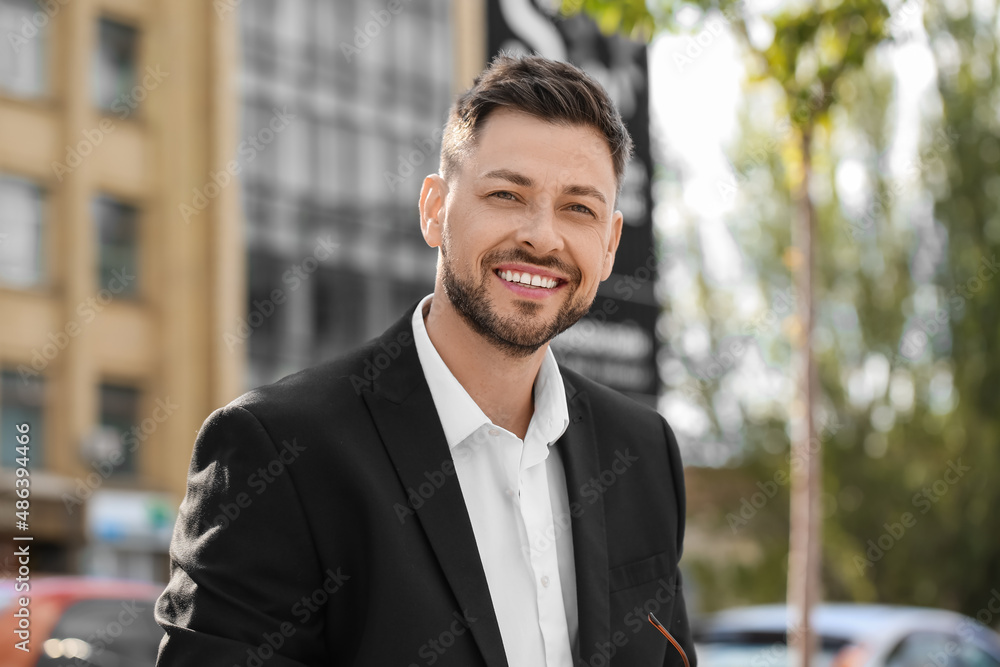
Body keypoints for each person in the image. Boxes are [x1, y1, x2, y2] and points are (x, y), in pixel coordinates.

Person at [155, 53, 695, 667]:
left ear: (610, 242)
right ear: (434, 209)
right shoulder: (277, 451)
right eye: (506, 194)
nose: (542, 237)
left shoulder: (643, 452)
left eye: (579, 208)